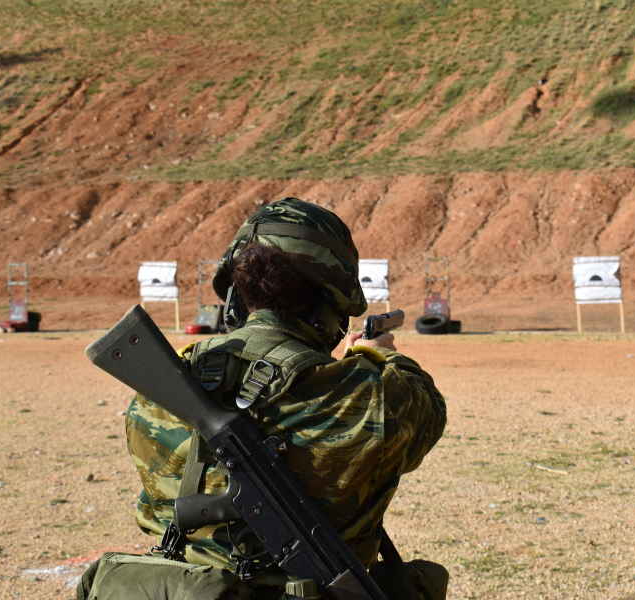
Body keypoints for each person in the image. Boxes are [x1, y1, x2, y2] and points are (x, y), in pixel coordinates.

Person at [112, 198, 447, 599]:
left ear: (234, 299)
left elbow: (155, 511)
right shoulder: (374, 398)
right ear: (331, 306)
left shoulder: (160, 387)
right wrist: (381, 356)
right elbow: (428, 408)